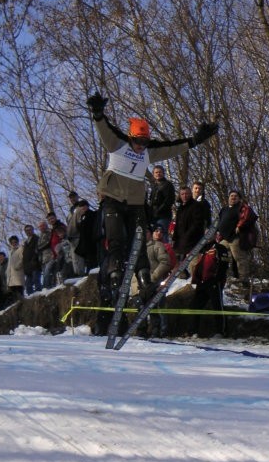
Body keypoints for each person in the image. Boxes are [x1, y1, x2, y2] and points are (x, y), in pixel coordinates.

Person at [86, 90, 218, 304]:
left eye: (145, 142)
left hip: (136, 203)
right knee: (116, 240)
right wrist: (98, 113)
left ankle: (145, 280)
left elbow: (172, 148)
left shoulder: (148, 151)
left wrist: (195, 140)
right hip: (113, 200)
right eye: (138, 141)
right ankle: (115, 276)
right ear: (130, 137)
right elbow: (103, 128)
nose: (141, 147)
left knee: (139, 243)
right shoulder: (116, 143)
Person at [187, 234, 230, 338]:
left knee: (217, 306)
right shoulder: (202, 250)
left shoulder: (220, 248)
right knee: (195, 306)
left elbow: (223, 265)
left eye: (210, 234)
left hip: (214, 282)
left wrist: (217, 279)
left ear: (214, 236)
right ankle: (193, 332)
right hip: (202, 283)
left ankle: (220, 332)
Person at [217, 190, 258, 286]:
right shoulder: (224, 209)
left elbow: (248, 217)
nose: (233, 198)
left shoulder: (241, 208)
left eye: (235, 196)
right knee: (217, 253)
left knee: (239, 258)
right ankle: (220, 275)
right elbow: (219, 221)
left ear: (239, 199)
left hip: (235, 238)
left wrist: (239, 226)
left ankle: (244, 280)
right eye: (231, 196)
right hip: (225, 238)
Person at [172, 185, 206, 277]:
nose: (184, 196)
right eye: (182, 194)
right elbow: (177, 225)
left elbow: (198, 223)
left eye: (187, 193)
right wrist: (175, 237)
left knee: (194, 262)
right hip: (180, 239)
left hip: (193, 239)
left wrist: (188, 235)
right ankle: (182, 277)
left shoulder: (197, 206)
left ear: (190, 194)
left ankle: (196, 281)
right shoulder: (180, 208)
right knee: (175, 260)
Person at [148, 165, 176, 235]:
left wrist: (158, 211)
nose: (158, 174)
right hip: (153, 215)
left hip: (163, 215)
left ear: (163, 173)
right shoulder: (154, 186)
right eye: (156, 172)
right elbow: (151, 200)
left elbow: (169, 200)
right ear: (153, 174)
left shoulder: (167, 185)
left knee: (161, 234)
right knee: (153, 235)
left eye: (160, 172)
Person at [22, 224, 42, 295]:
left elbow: (38, 250)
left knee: (36, 281)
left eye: (30, 230)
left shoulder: (36, 239)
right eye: (26, 230)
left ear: (33, 230)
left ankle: (39, 295)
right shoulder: (25, 243)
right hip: (27, 267)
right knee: (28, 285)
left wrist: (35, 260)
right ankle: (31, 299)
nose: (28, 232)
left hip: (35, 265)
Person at [6, 235, 25, 303]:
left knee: (19, 292)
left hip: (18, 274)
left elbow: (23, 259)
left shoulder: (21, 249)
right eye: (12, 242)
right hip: (11, 278)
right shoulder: (10, 252)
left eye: (15, 242)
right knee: (13, 295)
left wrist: (17, 266)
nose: (14, 243)